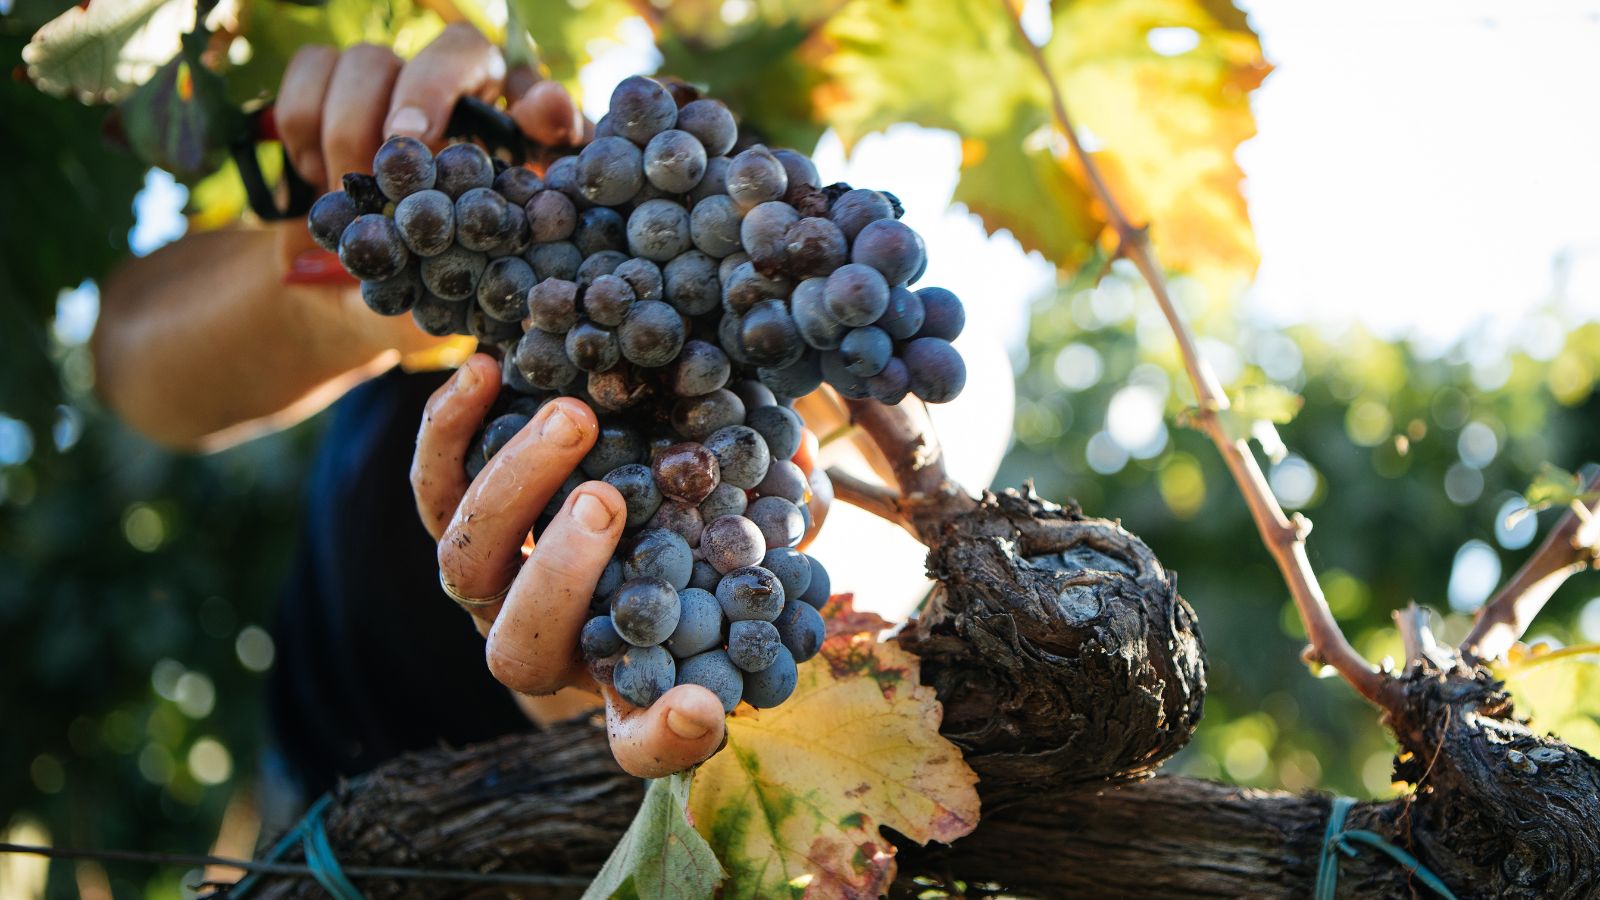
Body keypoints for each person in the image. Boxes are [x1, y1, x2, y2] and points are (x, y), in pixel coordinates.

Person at [91, 23, 726, 809]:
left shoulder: (733, 321)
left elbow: (787, 575)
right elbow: (130, 364)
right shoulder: (487, 249)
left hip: (559, 837)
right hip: (314, 813)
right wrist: (386, 270)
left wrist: (604, 682)